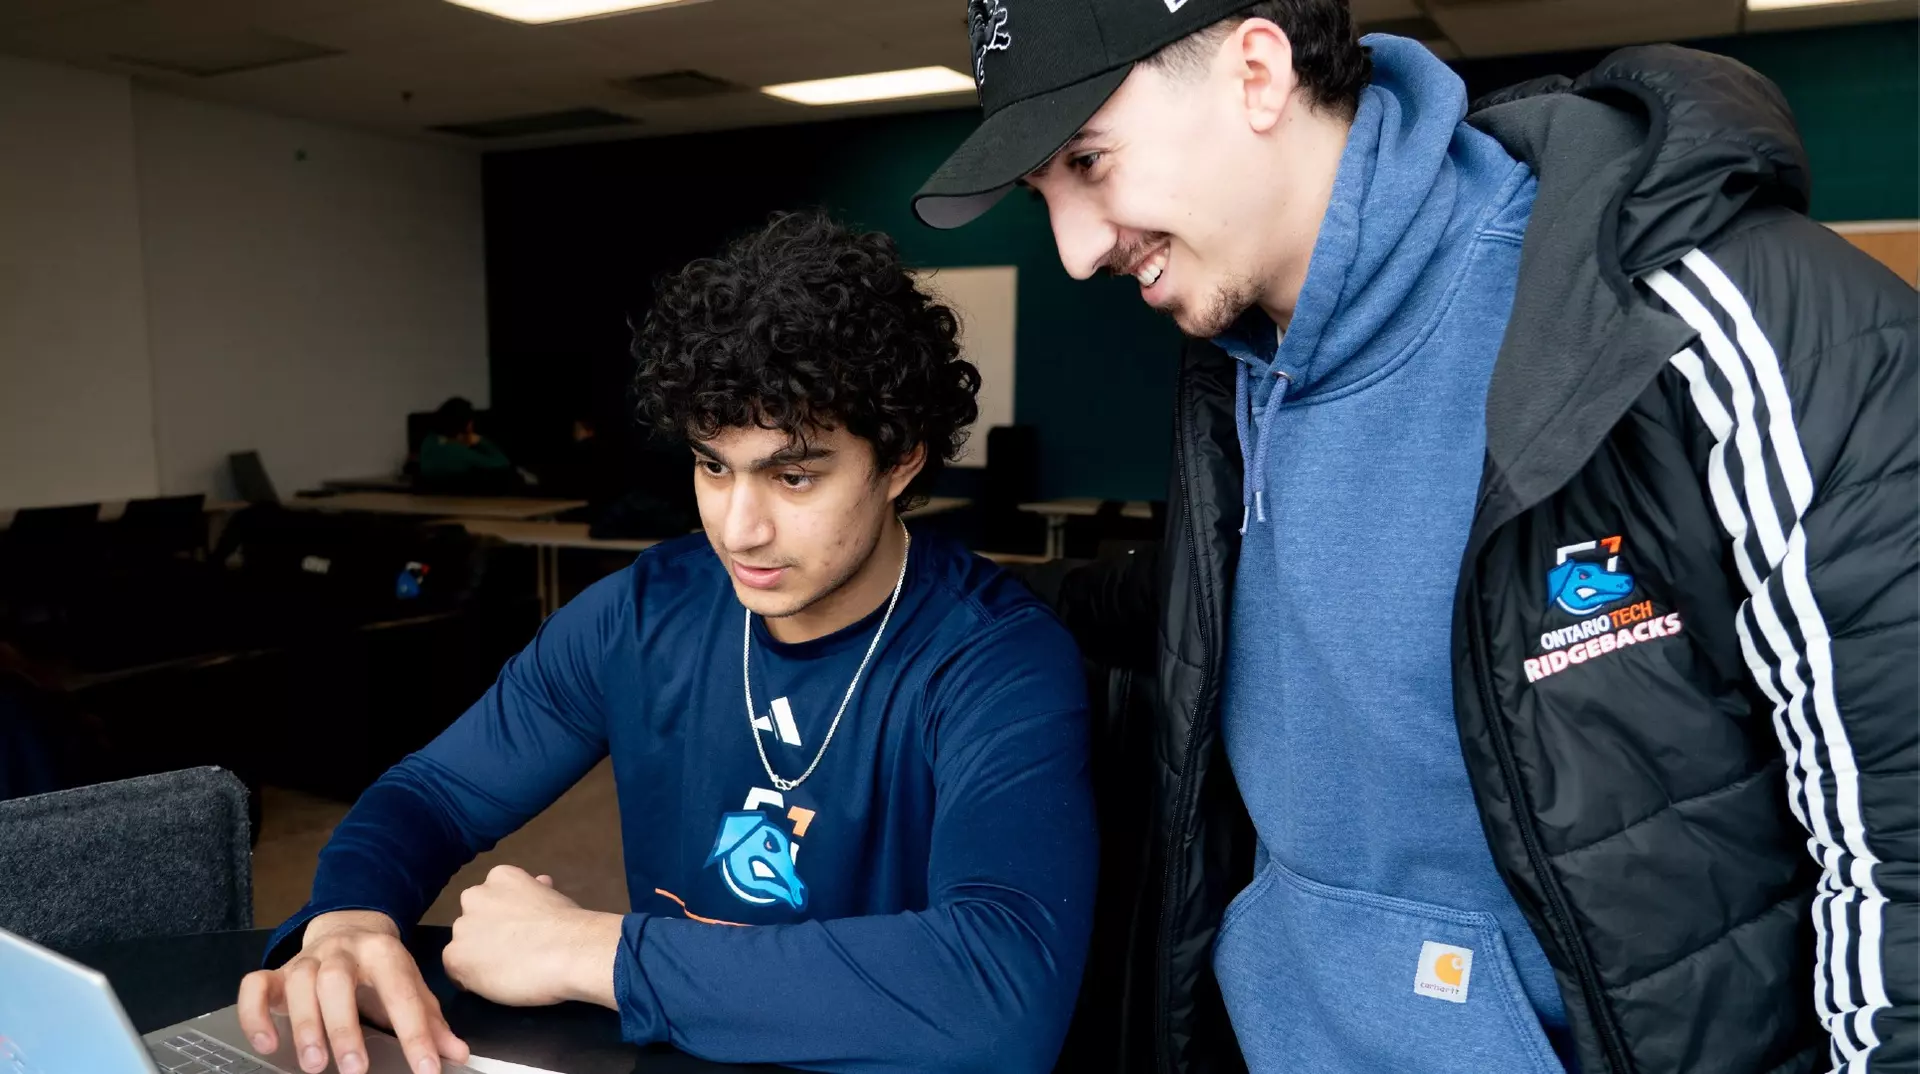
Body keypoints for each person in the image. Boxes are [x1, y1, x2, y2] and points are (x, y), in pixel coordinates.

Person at [917, 2, 1916, 1072]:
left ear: (1257, 73)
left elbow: (1897, 836)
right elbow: (1252, 609)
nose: (1075, 252)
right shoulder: (1233, 361)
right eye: (1044, 194)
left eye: (1089, 160)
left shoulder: (1695, 311)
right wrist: (934, 591)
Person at [236, 210, 1097, 1074]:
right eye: (713, 466)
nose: (739, 529)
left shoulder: (996, 659)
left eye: (794, 476)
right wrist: (347, 920)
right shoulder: (640, 614)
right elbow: (433, 795)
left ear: (901, 459)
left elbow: (997, 998)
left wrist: (592, 952)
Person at [416, 397, 518, 493]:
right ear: (467, 425)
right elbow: (503, 463)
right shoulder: (460, 453)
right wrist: (480, 441)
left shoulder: (428, 443)